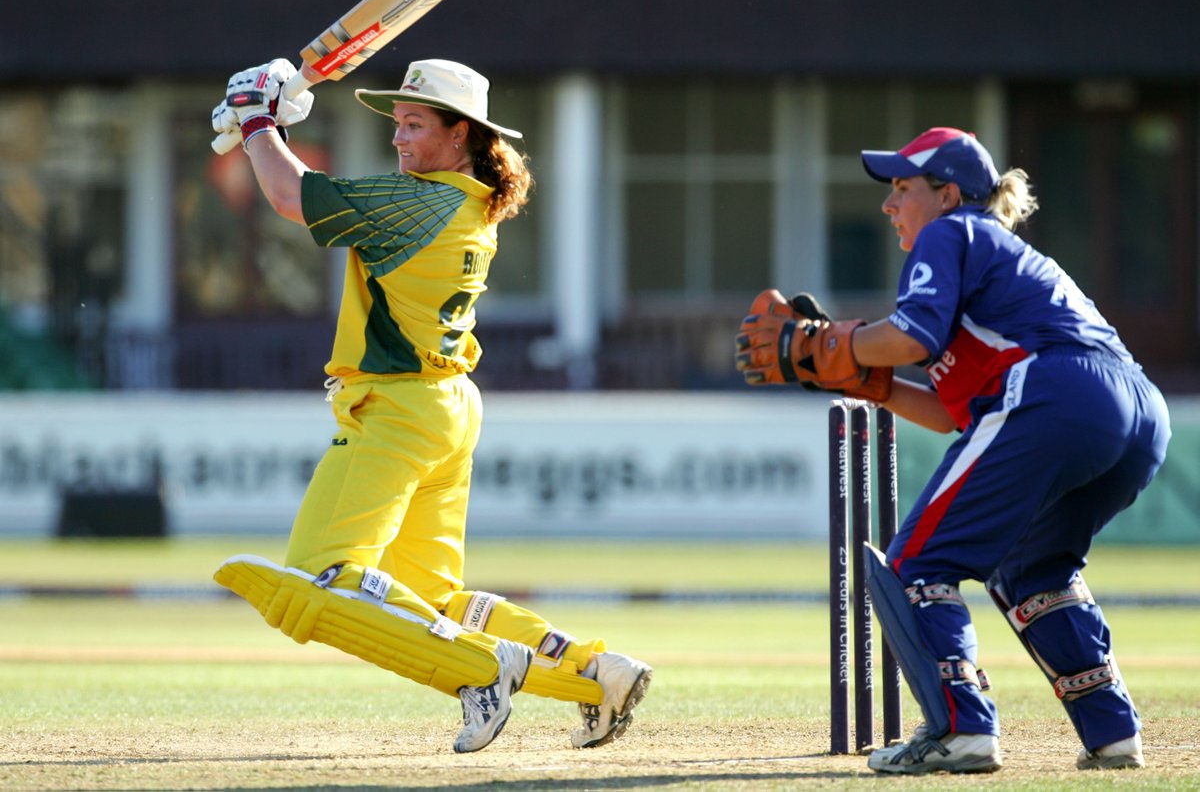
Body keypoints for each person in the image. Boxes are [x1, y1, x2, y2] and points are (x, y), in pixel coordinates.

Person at [208, 57, 651, 754]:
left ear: (461, 136)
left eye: (416, 124)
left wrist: (258, 119)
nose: (400, 138)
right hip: (446, 407)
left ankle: (481, 668)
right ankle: (596, 675)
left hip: (397, 408)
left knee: (320, 579)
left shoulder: (420, 201)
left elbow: (291, 198)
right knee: (431, 597)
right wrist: (264, 128)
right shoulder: (470, 200)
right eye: (398, 124)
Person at [735, 127, 1170, 774]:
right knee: (1033, 568)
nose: (889, 206)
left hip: (1054, 390)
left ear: (946, 194)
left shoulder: (952, 231)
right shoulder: (994, 258)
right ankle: (1112, 733)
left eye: (902, 189)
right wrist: (868, 382)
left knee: (916, 560)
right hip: (1136, 410)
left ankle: (961, 728)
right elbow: (948, 413)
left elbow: (912, 334)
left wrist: (824, 344)